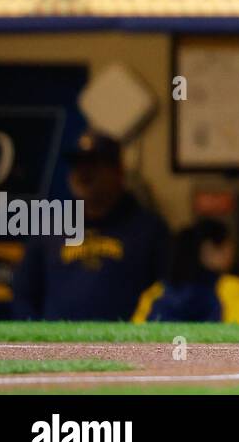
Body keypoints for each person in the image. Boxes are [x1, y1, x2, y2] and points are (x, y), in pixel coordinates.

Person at [11, 132, 170, 321]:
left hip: (126, 347)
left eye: (93, 164)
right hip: (58, 348)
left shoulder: (150, 229)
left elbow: (167, 297)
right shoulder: (49, 227)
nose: (82, 172)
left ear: (118, 172)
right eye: (77, 164)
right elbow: (23, 296)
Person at [133, 219, 239, 323]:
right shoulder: (231, 289)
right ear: (209, 249)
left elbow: (136, 339)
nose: (232, 256)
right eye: (228, 248)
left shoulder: (156, 292)